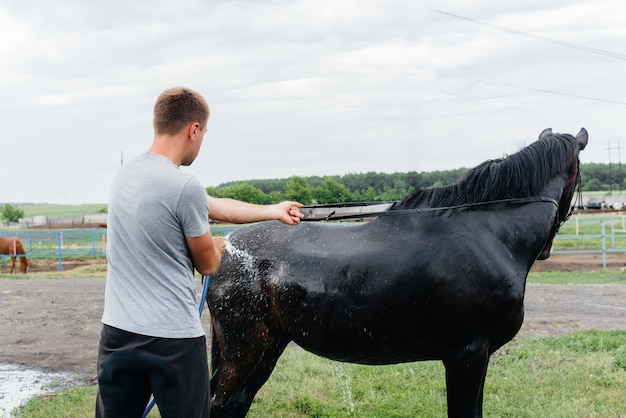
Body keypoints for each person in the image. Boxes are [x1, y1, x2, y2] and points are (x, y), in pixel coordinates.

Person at [95, 86, 303, 418]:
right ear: (194, 129)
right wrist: (216, 247)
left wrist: (272, 210)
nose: (202, 140)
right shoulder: (184, 186)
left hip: (117, 335)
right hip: (172, 342)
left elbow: (213, 207)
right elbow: (207, 264)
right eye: (204, 133)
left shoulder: (126, 174)